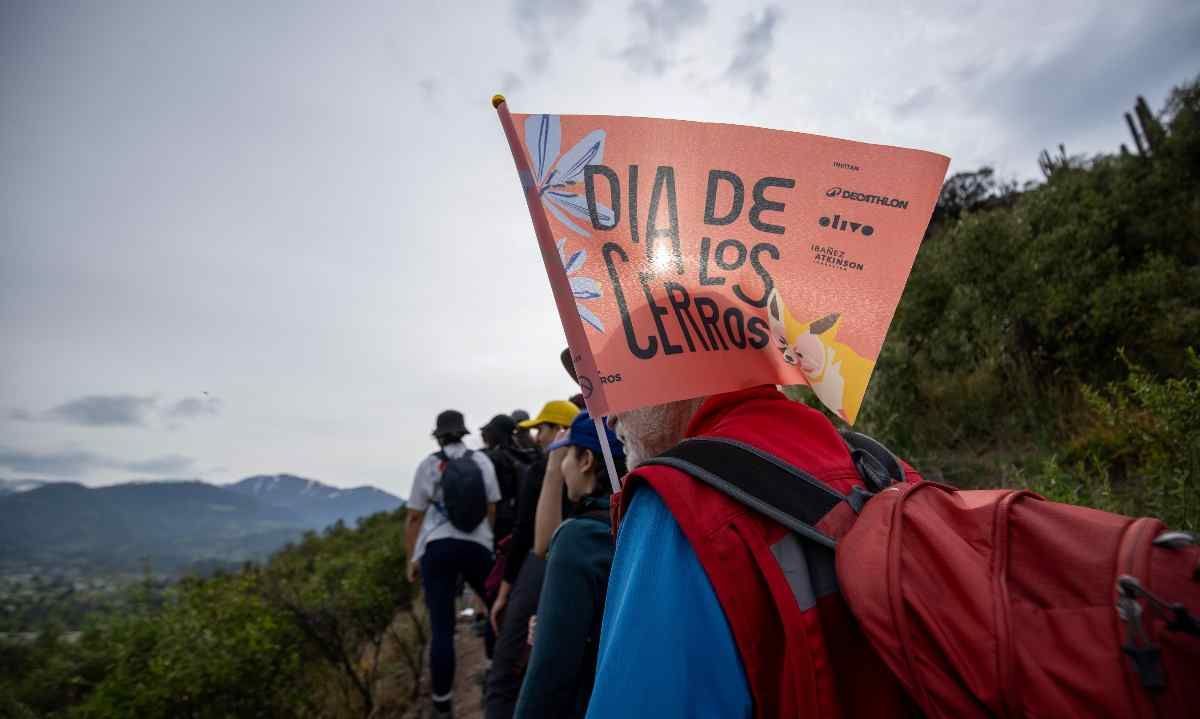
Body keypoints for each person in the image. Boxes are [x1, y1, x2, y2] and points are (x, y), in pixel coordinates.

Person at [584, 385, 919, 718]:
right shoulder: (881, 467)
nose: (609, 417)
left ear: (676, 365)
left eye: (616, 385)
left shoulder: (674, 504)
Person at [514, 412, 626, 719]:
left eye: (566, 456)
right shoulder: (643, 520)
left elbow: (548, 674)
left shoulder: (577, 539)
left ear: (586, 460)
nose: (563, 467)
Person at [485, 399, 579, 719]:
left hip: (537, 571)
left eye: (543, 428)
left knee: (505, 670)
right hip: (569, 577)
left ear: (560, 430)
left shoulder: (543, 470)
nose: (538, 437)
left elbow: (526, 535)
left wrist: (504, 591)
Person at [405, 409, 502, 719]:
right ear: (462, 432)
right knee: (494, 608)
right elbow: (491, 506)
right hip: (477, 544)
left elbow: (415, 516)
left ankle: (442, 704)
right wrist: (484, 540)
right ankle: (493, 673)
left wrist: (412, 558)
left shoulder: (429, 465)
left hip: (437, 545)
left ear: (438, 434)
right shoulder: (481, 461)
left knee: (442, 627)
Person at [480, 413, 537, 543]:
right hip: (519, 518)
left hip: (499, 519)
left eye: (489, 431)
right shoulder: (523, 455)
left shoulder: (494, 458)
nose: (486, 435)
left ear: (497, 433)